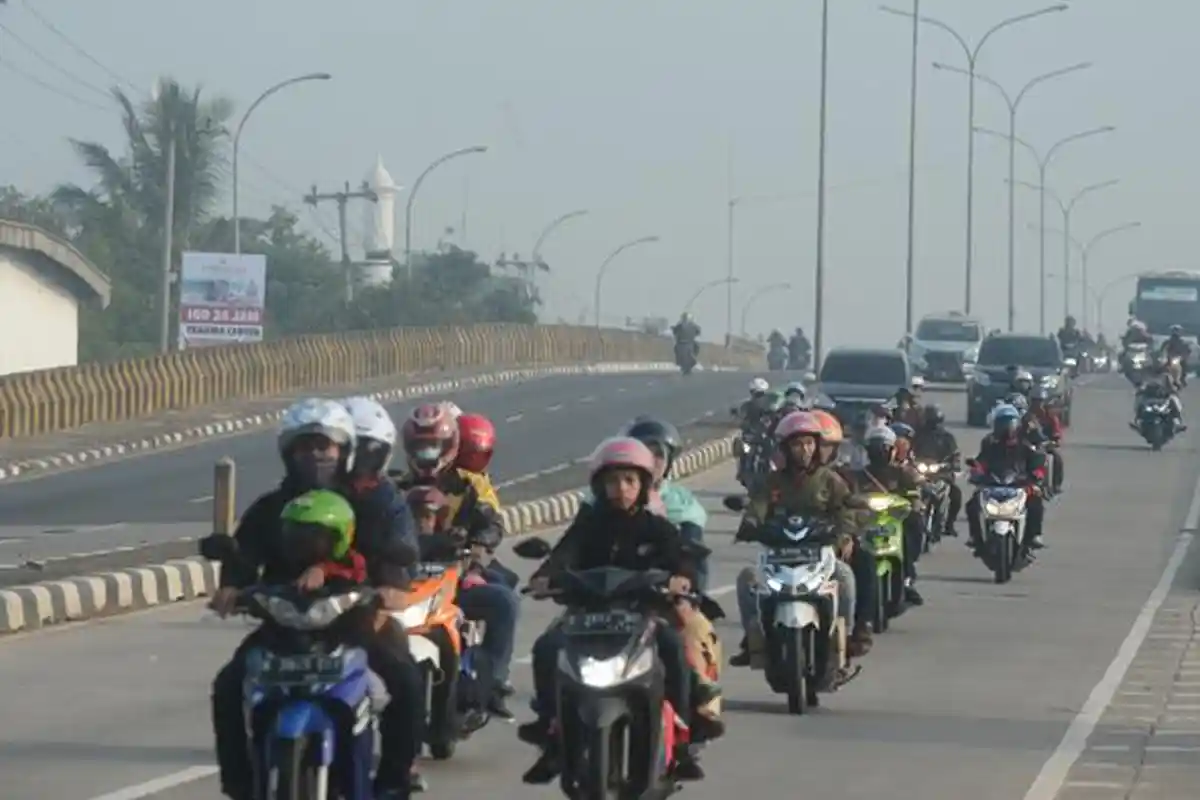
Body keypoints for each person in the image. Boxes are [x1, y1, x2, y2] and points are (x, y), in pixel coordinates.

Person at [207, 399, 423, 800]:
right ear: (289, 454)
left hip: (358, 621)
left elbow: (393, 550)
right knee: (227, 685)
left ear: (344, 450)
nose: (317, 455)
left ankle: (394, 783)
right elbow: (245, 554)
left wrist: (391, 585)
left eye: (326, 446)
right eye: (305, 447)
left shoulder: (371, 502)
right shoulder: (270, 508)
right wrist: (232, 586)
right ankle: (239, 786)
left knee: (407, 680)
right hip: (282, 623)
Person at [518, 437, 717, 783]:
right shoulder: (589, 525)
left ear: (643, 485)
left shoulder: (657, 527)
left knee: (673, 646)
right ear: (599, 485)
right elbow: (563, 555)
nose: (621, 489)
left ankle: (683, 740)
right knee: (546, 647)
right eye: (613, 481)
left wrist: (681, 579)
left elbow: (682, 559)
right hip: (586, 616)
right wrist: (543, 578)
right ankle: (551, 733)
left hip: (642, 615)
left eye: (629, 480)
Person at [393, 403, 519, 720]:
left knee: (504, 601)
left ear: (451, 447)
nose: (427, 455)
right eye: (420, 447)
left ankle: (493, 681)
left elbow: (492, 525)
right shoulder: (392, 489)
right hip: (401, 584)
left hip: (455, 577)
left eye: (434, 446)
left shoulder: (470, 486)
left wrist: (475, 560)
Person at [730, 411, 871, 666]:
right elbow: (758, 506)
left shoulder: (830, 479)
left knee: (845, 577)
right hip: (779, 551)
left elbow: (850, 507)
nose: (804, 450)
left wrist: (846, 535)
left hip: (819, 549)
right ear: (785, 448)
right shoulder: (772, 482)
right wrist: (750, 525)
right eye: (797, 444)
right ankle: (752, 641)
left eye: (809, 443)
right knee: (747, 581)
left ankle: (847, 635)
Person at [845, 425, 926, 606]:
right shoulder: (857, 475)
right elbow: (847, 495)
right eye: (875, 449)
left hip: (894, 519)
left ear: (892, 450)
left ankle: (907, 578)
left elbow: (915, 488)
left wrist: (914, 500)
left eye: (884, 448)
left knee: (913, 526)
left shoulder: (902, 472)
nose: (879, 453)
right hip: (865, 522)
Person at [966, 403, 1047, 551]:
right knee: (972, 504)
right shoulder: (990, 444)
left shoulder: (1024, 445)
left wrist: (1037, 473)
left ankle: (1034, 535)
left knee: (1036, 502)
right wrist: (976, 471)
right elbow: (981, 462)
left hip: (1019, 484)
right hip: (993, 484)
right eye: (1003, 423)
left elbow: (1036, 462)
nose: (1007, 428)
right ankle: (975, 536)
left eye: (1010, 423)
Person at [911, 404, 962, 537]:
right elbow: (910, 452)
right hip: (920, 472)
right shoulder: (917, 435)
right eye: (929, 421)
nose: (931, 424)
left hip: (941, 473)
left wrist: (953, 464)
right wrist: (911, 462)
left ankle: (949, 524)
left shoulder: (947, 438)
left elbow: (955, 455)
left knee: (956, 495)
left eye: (934, 421)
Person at [1025, 387, 1064, 494]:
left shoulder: (1050, 416)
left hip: (1044, 444)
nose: (1037, 404)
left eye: (1040, 401)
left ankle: (1056, 485)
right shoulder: (1024, 415)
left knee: (1057, 458)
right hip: (1026, 444)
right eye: (1034, 401)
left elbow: (1057, 433)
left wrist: (1054, 441)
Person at [1134, 357, 1187, 432]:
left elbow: (1172, 386)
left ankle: (1178, 422)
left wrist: (1175, 388)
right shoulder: (1146, 373)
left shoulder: (1166, 375)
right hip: (1149, 397)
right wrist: (1140, 388)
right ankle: (1138, 421)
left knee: (1174, 400)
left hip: (1163, 397)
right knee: (1139, 400)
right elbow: (1141, 384)